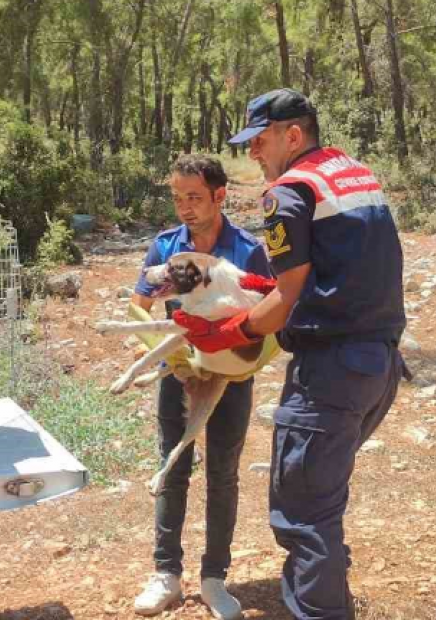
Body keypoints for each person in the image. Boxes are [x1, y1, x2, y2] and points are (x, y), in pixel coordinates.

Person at [171, 89, 409, 620]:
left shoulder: (289, 191)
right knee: (323, 498)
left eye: (259, 141)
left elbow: (286, 298)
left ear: (292, 136)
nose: (253, 153)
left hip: (330, 371)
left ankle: (321, 608)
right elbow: (339, 267)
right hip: (380, 363)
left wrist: (228, 331)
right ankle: (328, 593)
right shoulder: (353, 174)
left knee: (301, 510)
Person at [128, 154, 272, 620]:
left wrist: (248, 360)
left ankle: (215, 579)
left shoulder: (248, 249)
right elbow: (141, 304)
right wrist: (165, 351)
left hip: (232, 377)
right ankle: (166, 575)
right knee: (172, 466)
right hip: (180, 372)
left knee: (223, 474)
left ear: (219, 195)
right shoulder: (166, 246)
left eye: (194, 197)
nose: (184, 207)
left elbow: (272, 310)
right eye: (177, 198)